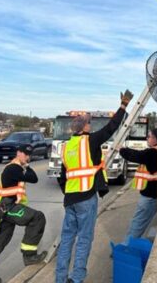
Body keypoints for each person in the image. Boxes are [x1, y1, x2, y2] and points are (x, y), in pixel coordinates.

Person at [54, 90, 133, 283]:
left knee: (66, 240)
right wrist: (123, 106)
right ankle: (77, 278)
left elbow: (62, 176)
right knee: (84, 240)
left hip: (70, 199)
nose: (91, 124)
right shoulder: (90, 140)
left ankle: (60, 279)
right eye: (89, 122)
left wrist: (68, 193)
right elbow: (111, 127)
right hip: (86, 197)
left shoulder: (66, 147)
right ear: (85, 126)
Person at [0, 144, 47, 283]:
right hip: (7, 207)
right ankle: (29, 256)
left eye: (29, 154)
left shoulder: (18, 167)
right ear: (18, 153)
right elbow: (33, 178)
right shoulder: (13, 168)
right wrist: (26, 166)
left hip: (3, 207)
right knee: (37, 217)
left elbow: (33, 177)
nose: (28, 157)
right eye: (25, 154)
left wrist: (25, 165)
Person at [114, 128, 157, 243]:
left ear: (156, 139)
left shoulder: (153, 152)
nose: (147, 138)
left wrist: (121, 150)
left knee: (138, 223)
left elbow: (136, 155)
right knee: (142, 223)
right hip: (152, 195)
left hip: (149, 196)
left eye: (149, 136)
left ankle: (126, 248)